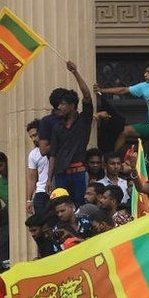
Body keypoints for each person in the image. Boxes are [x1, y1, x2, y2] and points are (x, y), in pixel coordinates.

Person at [96, 60, 149, 151]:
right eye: (145, 72)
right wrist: (101, 90)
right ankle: (113, 158)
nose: (145, 75)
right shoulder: (144, 86)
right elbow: (123, 90)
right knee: (124, 132)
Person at [45, 61, 94, 204]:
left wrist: (75, 72)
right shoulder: (57, 127)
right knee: (60, 205)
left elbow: (87, 96)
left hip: (78, 173)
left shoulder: (83, 121)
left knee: (79, 205)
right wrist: (49, 179)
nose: (59, 107)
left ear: (72, 106)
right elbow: (53, 154)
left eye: (63, 104)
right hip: (61, 174)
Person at [24, 120, 49, 215]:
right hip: (41, 191)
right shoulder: (33, 154)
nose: (33, 139)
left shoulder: (53, 146)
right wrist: (29, 200)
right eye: (31, 137)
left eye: (35, 135)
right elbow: (31, 178)